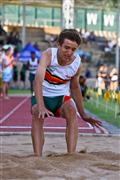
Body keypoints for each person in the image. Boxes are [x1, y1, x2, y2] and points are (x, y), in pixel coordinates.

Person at [31, 29, 102, 156]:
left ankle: (71, 155)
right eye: (66, 48)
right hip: (43, 95)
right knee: (37, 112)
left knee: (71, 108)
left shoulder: (76, 63)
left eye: (73, 49)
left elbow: (75, 87)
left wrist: (83, 114)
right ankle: (37, 156)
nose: (69, 52)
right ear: (59, 44)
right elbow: (37, 82)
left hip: (61, 97)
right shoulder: (48, 55)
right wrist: (41, 106)